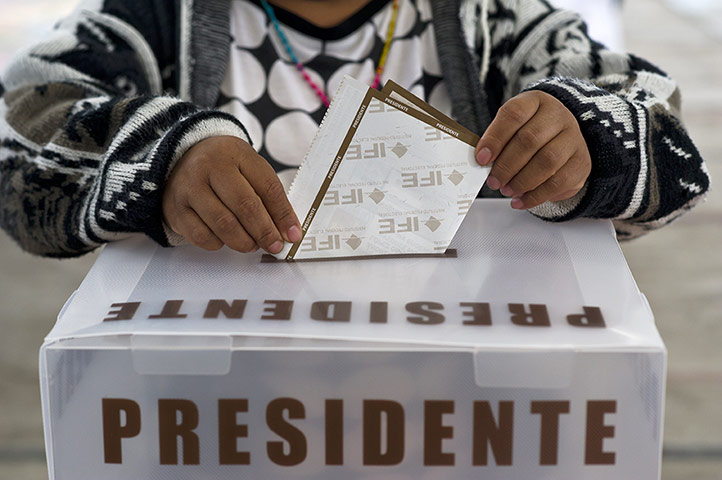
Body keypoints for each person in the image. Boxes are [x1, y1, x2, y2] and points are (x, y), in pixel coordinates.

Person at [0, 0, 709, 258]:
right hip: (221, 396)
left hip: (452, 391)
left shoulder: (491, 20)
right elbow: (26, 115)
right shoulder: (156, 17)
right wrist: (166, 159)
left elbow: (666, 135)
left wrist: (586, 138)